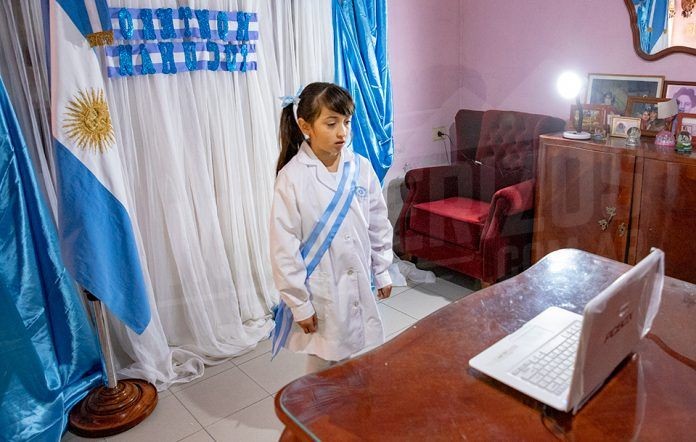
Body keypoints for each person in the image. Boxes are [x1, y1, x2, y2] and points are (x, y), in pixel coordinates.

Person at [269, 82, 393, 372]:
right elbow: (283, 247)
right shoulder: (292, 178)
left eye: (347, 122)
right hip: (321, 287)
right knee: (324, 358)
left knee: (356, 351)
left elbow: (377, 222)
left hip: (357, 276)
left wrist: (382, 269)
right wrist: (299, 303)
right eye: (331, 123)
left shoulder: (360, 167)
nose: (342, 132)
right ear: (306, 126)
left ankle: (351, 398)